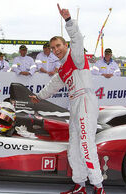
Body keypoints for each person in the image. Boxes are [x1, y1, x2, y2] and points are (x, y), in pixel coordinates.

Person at [30, 4, 105, 194]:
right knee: (74, 146)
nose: (56, 50)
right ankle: (80, 185)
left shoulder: (76, 57)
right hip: (75, 104)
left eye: (58, 46)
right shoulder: (62, 68)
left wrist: (69, 21)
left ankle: (98, 187)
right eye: (53, 48)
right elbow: (53, 85)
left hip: (85, 101)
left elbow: (77, 40)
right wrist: (38, 97)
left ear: (65, 45)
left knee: (86, 144)